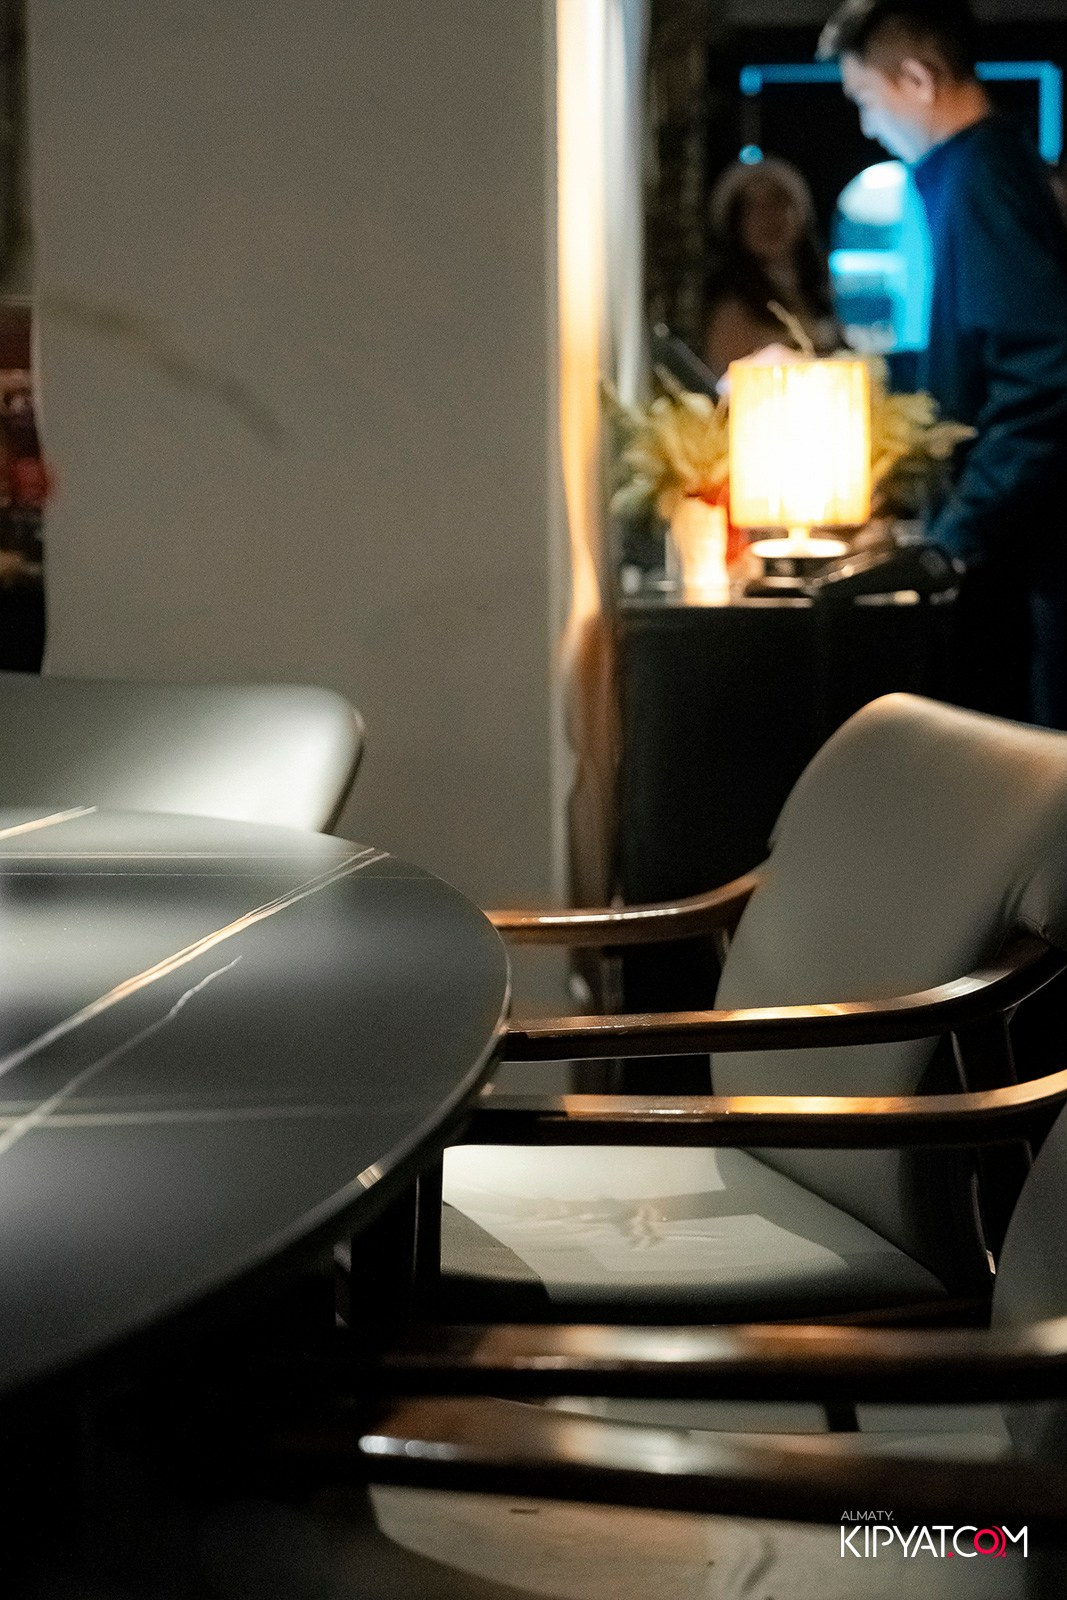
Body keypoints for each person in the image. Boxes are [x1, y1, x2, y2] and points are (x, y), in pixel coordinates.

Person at [819, 0, 1067, 728]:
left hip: (1032, 559)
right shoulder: (979, 171)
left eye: (867, 99)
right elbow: (978, 358)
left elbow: (1044, 369)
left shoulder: (980, 177)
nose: (867, 126)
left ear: (919, 79)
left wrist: (958, 537)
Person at [703, 157, 842, 375]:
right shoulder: (731, 312)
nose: (767, 217)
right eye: (751, 208)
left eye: (777, 201)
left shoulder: (817, 294)